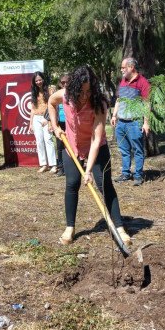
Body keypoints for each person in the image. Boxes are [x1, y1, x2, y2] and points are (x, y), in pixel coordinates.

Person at [48, 64, 131, 246]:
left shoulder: (99, 103)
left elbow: (96, 139)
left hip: (96, 147)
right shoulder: (65, 96)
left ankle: (119, 227)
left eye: (89, 91)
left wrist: (89, 170)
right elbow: (51, 103)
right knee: (71, 183)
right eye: (82, 92)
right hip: (71, 146)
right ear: (74, 88)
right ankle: (70, 227)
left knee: (104, 185)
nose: (85, 96)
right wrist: (55, 127)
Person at [111, 57, 150, 186]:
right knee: (124, 149)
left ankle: (138, 175)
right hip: (121, 122)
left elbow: (147, 104)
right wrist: (114, 115)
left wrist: (146, 122)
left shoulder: (142, 82)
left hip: (135, 122)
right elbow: (118, 100)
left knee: (138, 150)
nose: (121, 70)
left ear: (131, 67)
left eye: (123, 67)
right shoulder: (123, 81)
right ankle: (126, 173)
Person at [29, 71, 57, 173]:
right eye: (36, 80)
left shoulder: (50, 90)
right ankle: (44, 164)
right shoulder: (34, 92)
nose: (38, 82)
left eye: (40, 79)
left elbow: (53, 106)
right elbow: (33, 108)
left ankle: (53, 165)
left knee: (48, 139)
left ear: (43, 79)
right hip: (36, 118)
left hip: (46, 118)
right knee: (39, 141)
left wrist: (49, 120)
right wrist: (31, 123)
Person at [55, 74, 69, 177]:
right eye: (63, 82)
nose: (65, 84)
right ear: (60, 84)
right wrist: (52, 124)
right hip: (60, 124)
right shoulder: (57, 95)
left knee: (71, 146)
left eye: (67, 82)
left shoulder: (73, 94)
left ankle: (71, 166)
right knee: (60, 146)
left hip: (70, 124)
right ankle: (61, 167)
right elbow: (51, 108)